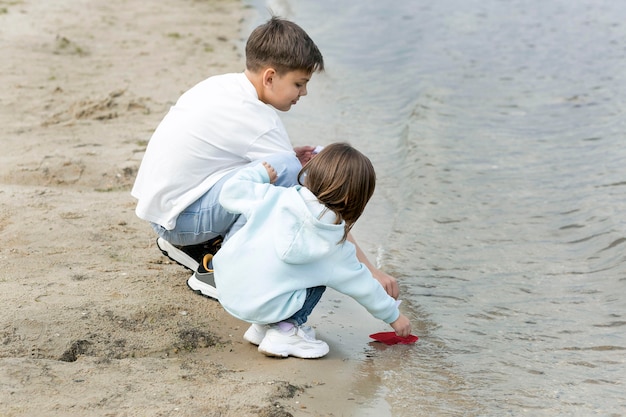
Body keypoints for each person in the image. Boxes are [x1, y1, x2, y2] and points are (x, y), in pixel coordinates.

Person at [131, 16, 399, 301]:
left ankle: (198, 246)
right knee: (286, 175)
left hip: (162, 210)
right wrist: (371, 272)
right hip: (181, 221)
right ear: (270, 77)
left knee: (279, 166)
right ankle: (218, 273)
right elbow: (317, 205)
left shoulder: (223, 86)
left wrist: (288, 156)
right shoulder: (259, 121)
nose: (304, 92)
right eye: (299, 83)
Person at [213, 143, 412, 359]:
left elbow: (230, 191)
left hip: (228, 288)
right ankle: (285, 331)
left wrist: (260, 173)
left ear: (311, 174)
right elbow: (363, 285)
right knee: (318, 277)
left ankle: (262, 327)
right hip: (264, 303)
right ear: (355, 199)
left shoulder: (275, 197)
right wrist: (394, 316)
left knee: (269, 257)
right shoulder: (333, 246)